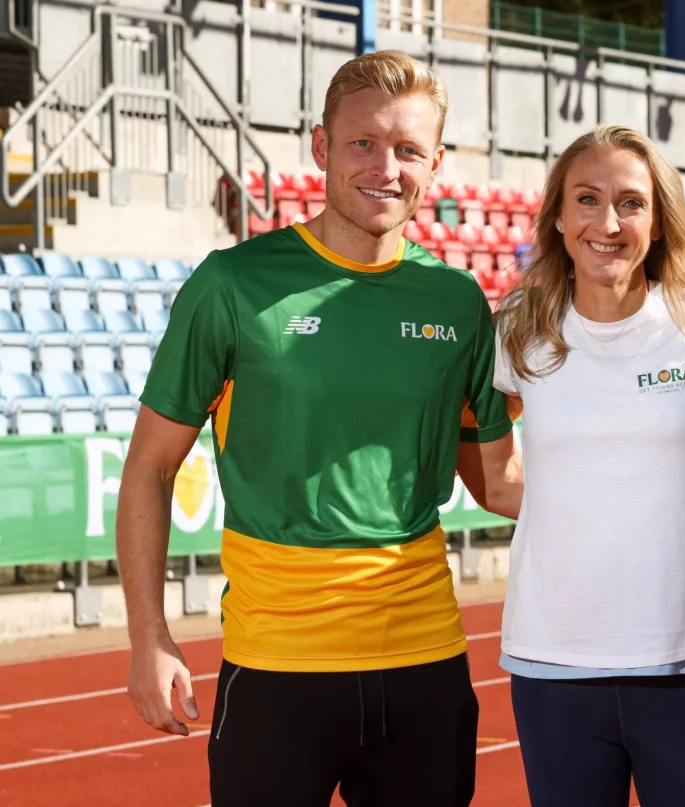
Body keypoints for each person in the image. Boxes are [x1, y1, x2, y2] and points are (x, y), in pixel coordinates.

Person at [116, 50, 519, 806]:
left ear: (436, 162)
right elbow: (149, 468)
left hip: (426, 660)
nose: (385, 167)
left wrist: (652, 486)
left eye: (407, 149)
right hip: (277, 665)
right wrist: (150, 636)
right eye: (363, 143)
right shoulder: (231, 285)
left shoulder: (457, 299)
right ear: (321, 146)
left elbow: (498, 482)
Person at [486, 123, 685, 807]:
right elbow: (492, 472)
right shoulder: (520, 328)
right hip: (552, 661)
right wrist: (576, 510)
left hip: (684, 655)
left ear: (659, 219)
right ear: (558, 215)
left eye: (631, 203)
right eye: (586, 199)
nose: (607, 222)